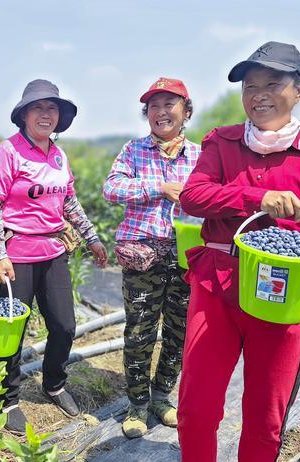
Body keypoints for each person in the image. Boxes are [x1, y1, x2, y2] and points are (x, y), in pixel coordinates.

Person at [177, 42, 300, 461]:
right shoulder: (221, 143)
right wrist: (257, 198)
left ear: (299, 89)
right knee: (196, 408)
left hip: (282, 296)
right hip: (218, 286)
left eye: (272, 83)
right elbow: (193, 196)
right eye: (249, 86)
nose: (258, 94)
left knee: (265, 418)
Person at [0, 79, 108, 434]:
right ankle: (6, 399)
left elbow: (68, 201)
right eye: (38, 108)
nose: (45, 114)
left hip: (53, 251)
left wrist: (92, 238)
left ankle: (54, 383)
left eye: (52, 108)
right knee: (11, 332)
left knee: (65, 325)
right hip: (17, 254)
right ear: (24, 114)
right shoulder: (8, 152)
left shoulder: (57, 154)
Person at [103, 77, 200, 438]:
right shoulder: (134, 151)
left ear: (185, 112)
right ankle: (137, 404)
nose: (161, 111)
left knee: (179, 331)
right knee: (140, 332)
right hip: (142, 255)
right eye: (154, 106)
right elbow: (111, 189)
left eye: (169, 104)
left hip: (186, 255)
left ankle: (162, 397)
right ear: (147, 114)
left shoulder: (200, 156)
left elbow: (213, 198)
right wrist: (158, 187)